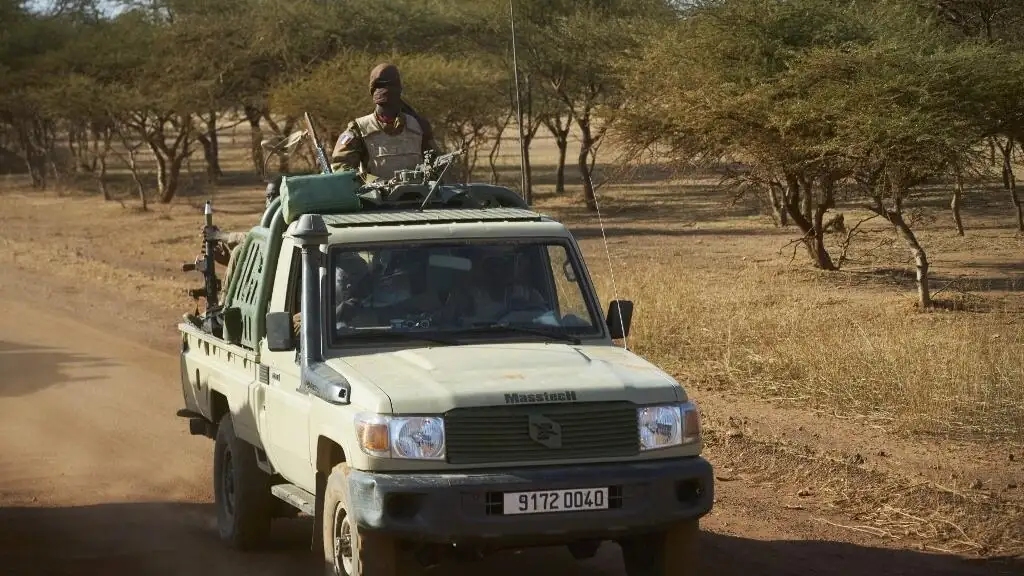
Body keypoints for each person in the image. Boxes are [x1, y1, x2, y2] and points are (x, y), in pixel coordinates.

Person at [330, 63, 440, 179]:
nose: (386, 91)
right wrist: (370, 181)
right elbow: (341, 168)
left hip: (419, 196)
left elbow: (436, 164)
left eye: (390, 85)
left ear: (398, 89)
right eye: (380, 86)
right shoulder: (358, 129)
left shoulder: (418, 126)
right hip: (375, 196)